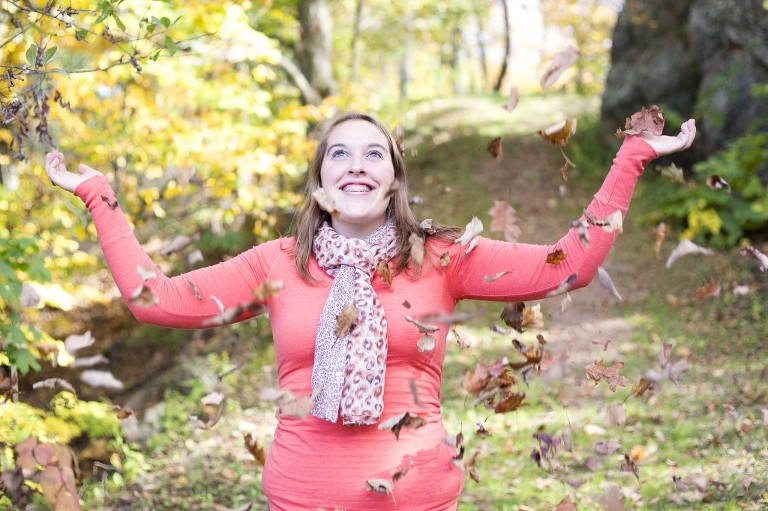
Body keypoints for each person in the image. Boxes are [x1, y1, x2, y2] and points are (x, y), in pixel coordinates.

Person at [45, 112, 696, 510]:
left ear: (394, 181)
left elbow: (566, 266)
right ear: (321, 186)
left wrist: (632, 157)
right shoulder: (278, 264)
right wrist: (98, 195)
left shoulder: (442, 256)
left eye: (373, 153)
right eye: (340, 153)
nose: (356, 164)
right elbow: (154, 299)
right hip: (302, 496)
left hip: (419, 497)